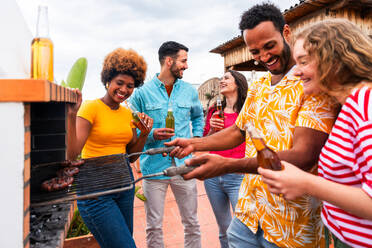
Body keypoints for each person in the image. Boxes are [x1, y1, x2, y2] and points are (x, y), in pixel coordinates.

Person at [167, 3, 339, 248]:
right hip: (248, 215)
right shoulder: (258, 87)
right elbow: (239, 131)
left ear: (286, 33)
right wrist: (195, 143)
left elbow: (303, 156)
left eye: (270, 46)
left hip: (290, 227)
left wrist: (227, 165)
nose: (264, 57)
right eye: (255, 51)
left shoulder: (311, 85)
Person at [258, 19, 372, 248]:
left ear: (334, 60)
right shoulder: (347, 105)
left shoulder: (365, 106)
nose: (296, 72)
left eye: (304, 62)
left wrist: (306, 183)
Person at [66, 48, 153, 248]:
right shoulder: (90, 108)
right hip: (95, 193)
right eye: (119, 83)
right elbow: (72, 154)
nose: (124, 89)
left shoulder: (127, 114)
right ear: (108, 81)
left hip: (124, 187)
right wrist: (71, 115)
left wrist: (145, 133)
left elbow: (131, 156)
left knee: (121, 242)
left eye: (130, 86)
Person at [129, 41, 204, 248]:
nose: (186, 66)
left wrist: (195, 140)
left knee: (192, 222)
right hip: (153, 168)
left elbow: (198, 117)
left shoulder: (189, 91)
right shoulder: (142, 93)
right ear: (169, 61)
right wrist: (152, 134)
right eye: (183, 61)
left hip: (184, 165)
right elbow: (132, 128)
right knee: (153, 225)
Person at [202, 70, 247, 248]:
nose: (222, 80)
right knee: (224, 228)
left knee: (244, 227)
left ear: (238, 83)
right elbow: (206, 140)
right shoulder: (214, 110)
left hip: (239, 175)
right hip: (213, 176)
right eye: (221, 78)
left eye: (226, 78)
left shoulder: (246, 110)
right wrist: (212, 129)